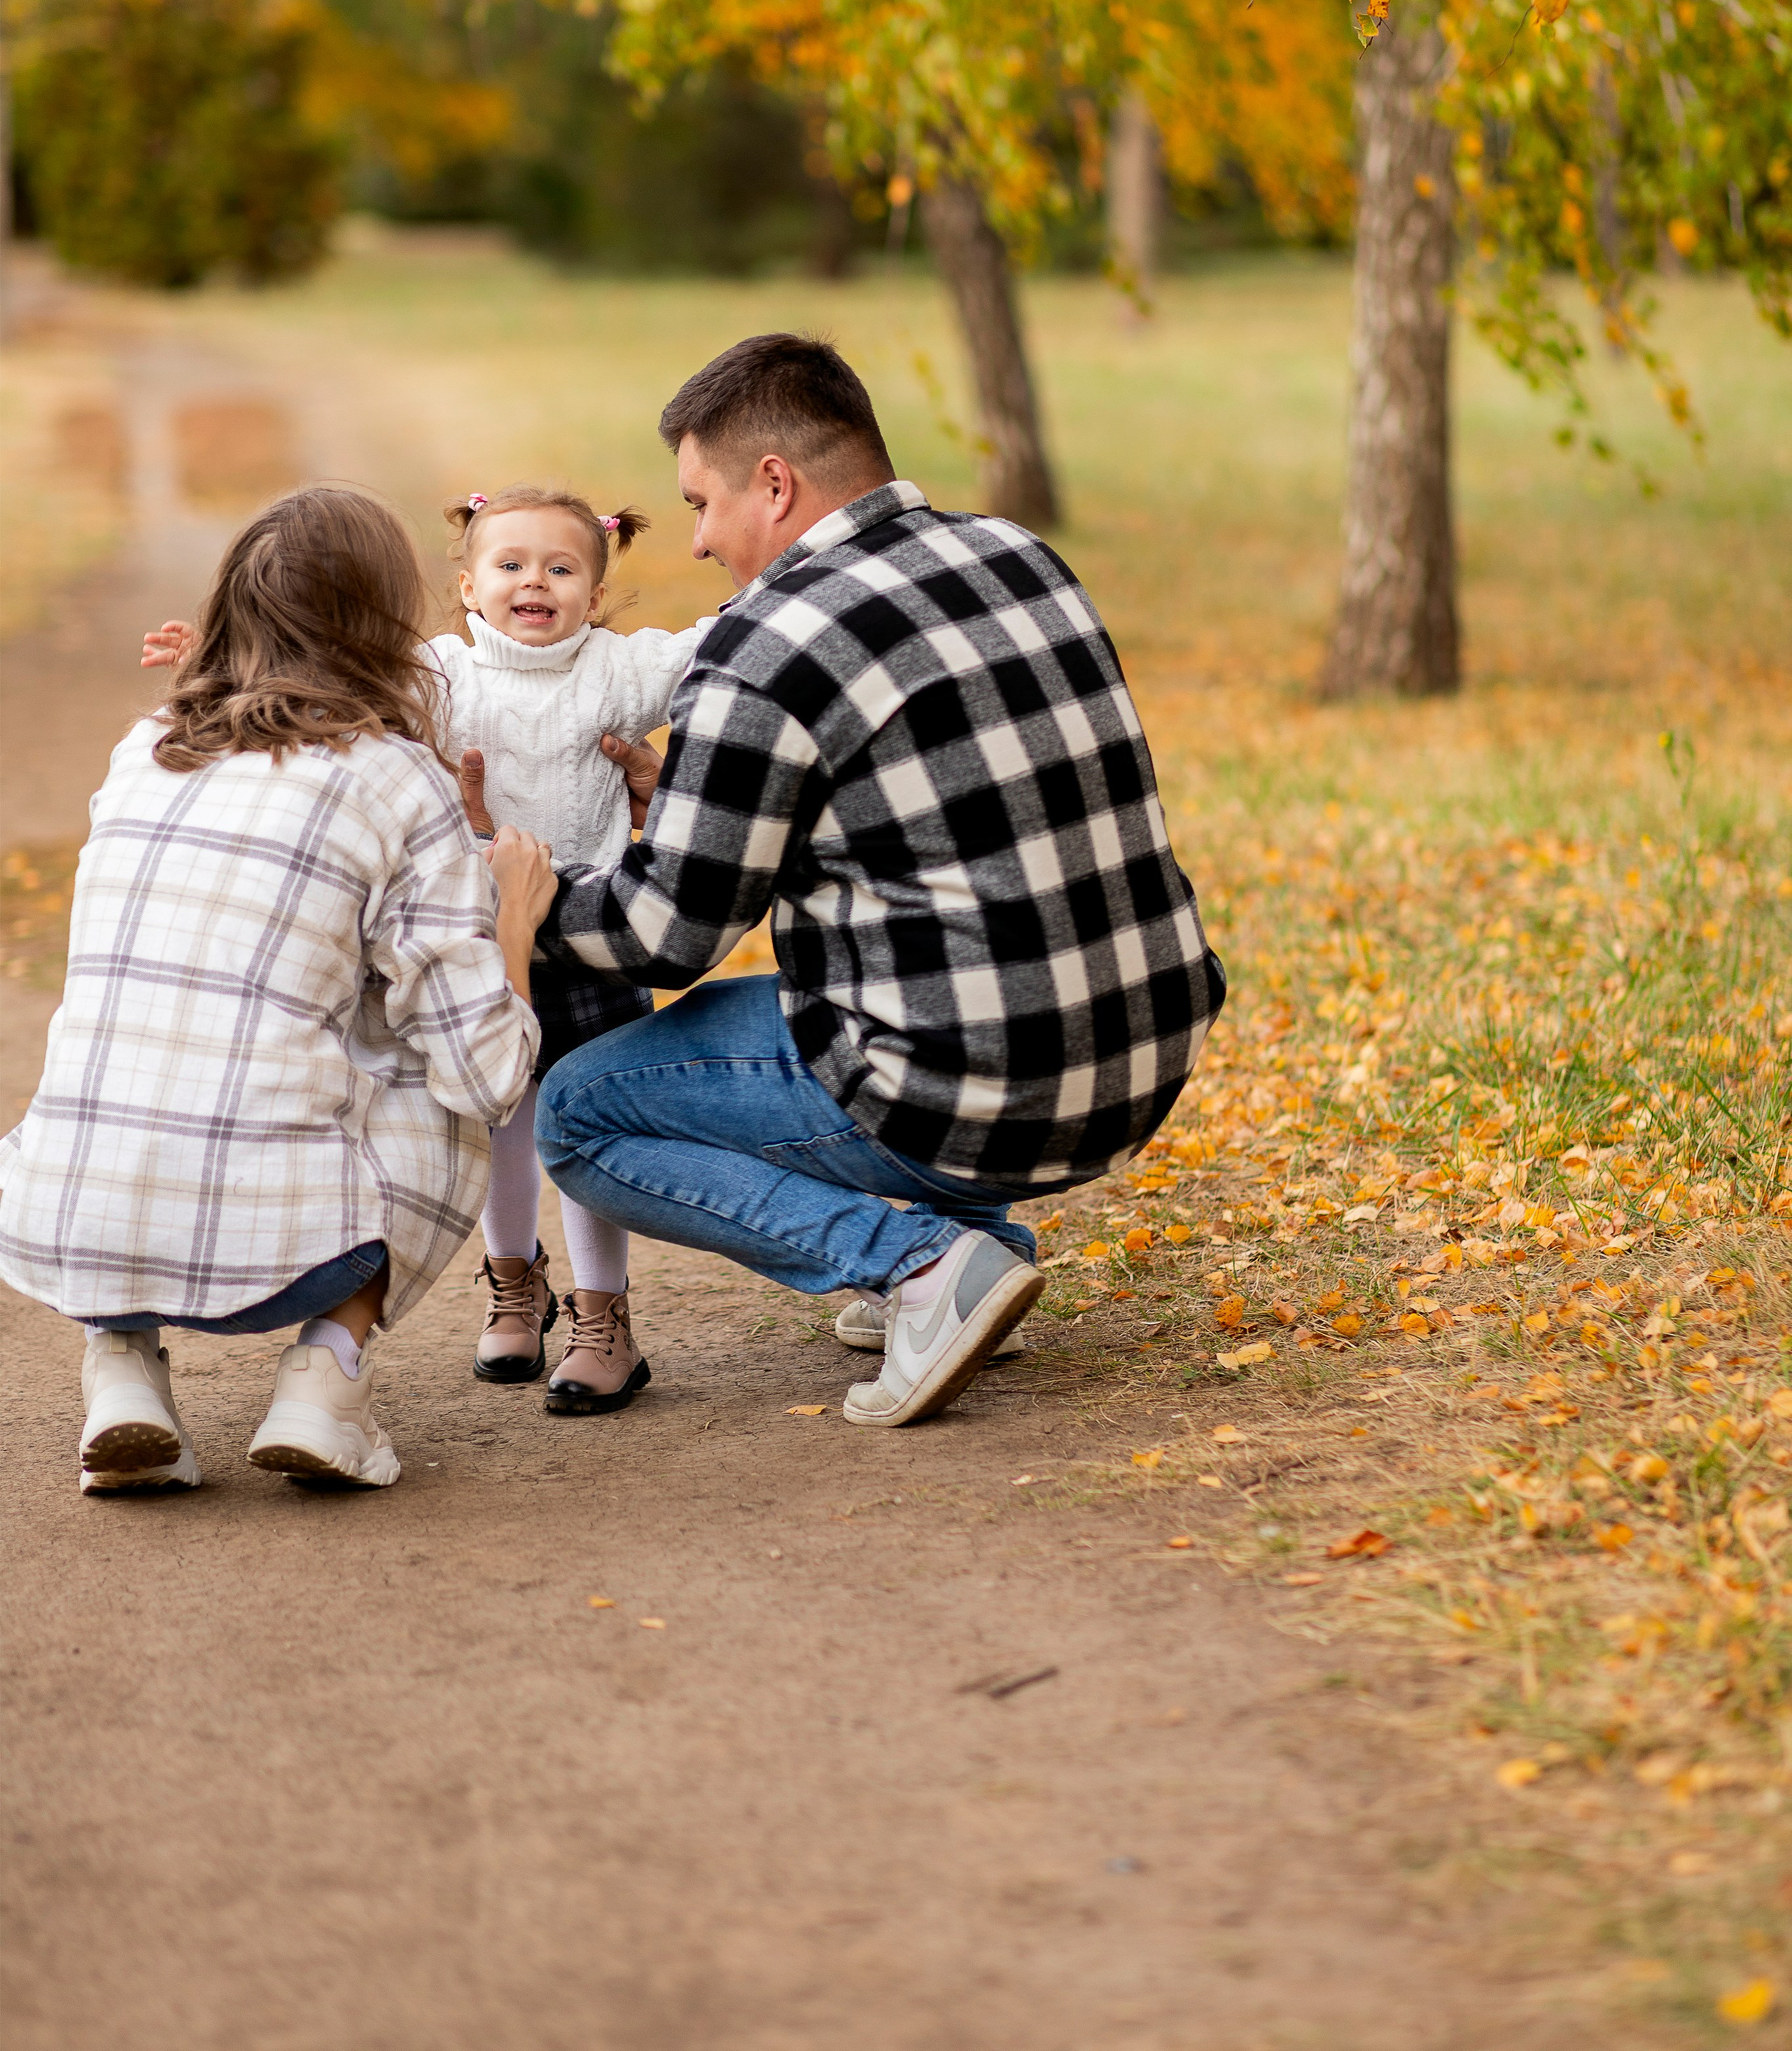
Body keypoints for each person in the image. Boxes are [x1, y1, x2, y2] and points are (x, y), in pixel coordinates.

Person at [535, 333, 1226, 1428]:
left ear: (776, 484)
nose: (702, 540)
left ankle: (915, 1264)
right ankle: (981, 1247)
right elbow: (941, 809)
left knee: (577, 1116)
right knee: (847, 1004)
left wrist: (522, 903)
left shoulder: (765, 641)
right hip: (1142, 1054)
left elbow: (665, 939)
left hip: (972, 1090)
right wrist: (710, 801)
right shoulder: (1014, 551)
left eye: (704, 503)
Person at [3, 485, 554, 1495]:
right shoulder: (396, 777)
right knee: (448, 1085)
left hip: (69, 1218)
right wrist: (512, 915)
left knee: (165, 1035)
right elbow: (484, 1076)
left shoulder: (145, 747)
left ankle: (120, 1364)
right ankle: (326, 1376)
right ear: (383, 625)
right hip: (297, 1255)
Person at [429, 484, 715, 1409]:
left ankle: (605, 1318)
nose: (534, 582)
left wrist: (808, 582)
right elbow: (336, 685)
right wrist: (220, 660)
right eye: (509, 565)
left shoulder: (618, 672)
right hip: (487, 941)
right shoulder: (445, 675)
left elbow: (727, 646)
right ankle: (514, 1288)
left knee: (585, 1131)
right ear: (469, 587)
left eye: (561, 567)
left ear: (594, 591)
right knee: (499, 1128)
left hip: (596, 943)